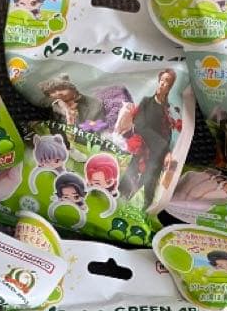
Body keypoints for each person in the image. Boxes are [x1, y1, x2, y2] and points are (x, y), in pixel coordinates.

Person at [116, 68, 179, 208]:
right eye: (161, 80)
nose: (162, 83)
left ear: (170, 86)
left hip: (157, 157)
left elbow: (169, 134)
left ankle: (143, 209)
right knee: (128, 182)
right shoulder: (146, 102)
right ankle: (119, 201)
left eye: (167, 81)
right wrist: (164, 148)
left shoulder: (169, 110)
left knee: (149, 189)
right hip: (143, 149)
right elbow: (140, 125)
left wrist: (167, 152)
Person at [39, 75, 105, 126]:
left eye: (62, 88)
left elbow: (97, 127)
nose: (58, 93)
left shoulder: (95, 105)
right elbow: (42, 102)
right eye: (52, 91)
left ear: (72, 89)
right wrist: (59, 103)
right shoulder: (53, 101)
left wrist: (73, 117)